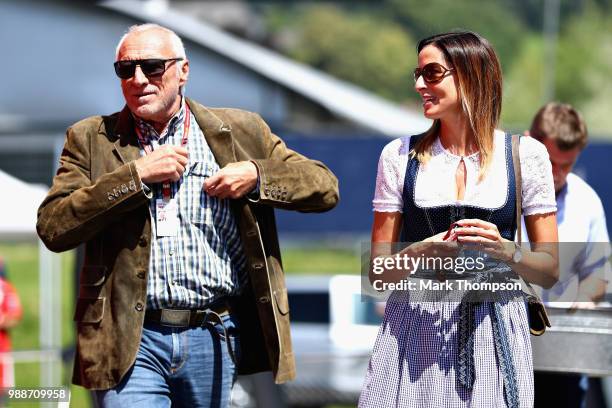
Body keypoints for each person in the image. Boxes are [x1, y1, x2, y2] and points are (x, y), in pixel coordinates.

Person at [36, 24, 339, 407]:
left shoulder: (242, 130)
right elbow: (53, 225)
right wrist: (135, 177)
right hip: (131, 336)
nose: (139, 79)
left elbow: (325, 186)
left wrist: (257, 175)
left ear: (183, 71)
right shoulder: (91, 138)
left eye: (152, 66)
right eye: (125, 70)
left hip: (212, 332)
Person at [358, 31, 559, 407]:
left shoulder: (525, 156)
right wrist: (422, 250)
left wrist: (505, 250)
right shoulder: (398, 156)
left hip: (494, 326)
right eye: (417, 74)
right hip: (414, 327)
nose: (420, 85)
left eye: (432, 73)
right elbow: (378, 273)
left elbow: (549, 269)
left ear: (469, 74)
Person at [526, 102, 611, 408]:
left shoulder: (587, 202)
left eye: (566, 165)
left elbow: (599, 274)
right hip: (501, 351)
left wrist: (585, 299)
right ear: (528, 141)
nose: (557, 174)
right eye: (549, 162)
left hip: (563, 359)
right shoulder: (501, 197)